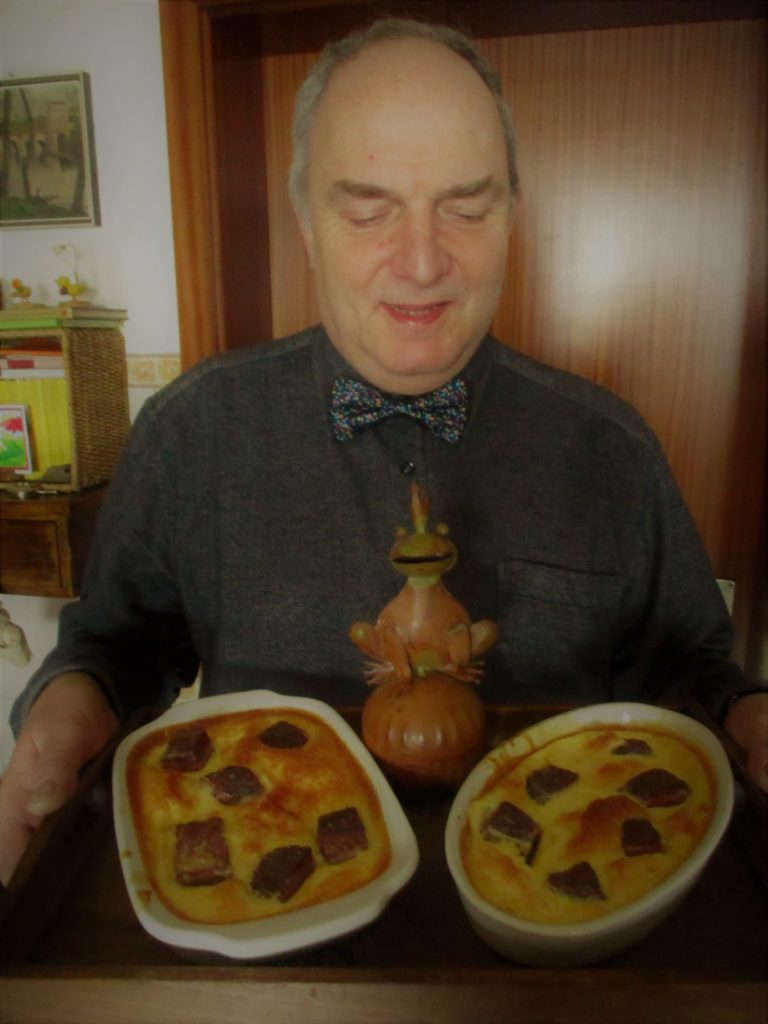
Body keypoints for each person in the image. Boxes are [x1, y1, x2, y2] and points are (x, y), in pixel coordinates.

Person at [1, 18, 765, 886]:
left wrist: (745, 714)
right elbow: (116, 647)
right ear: (305, 222)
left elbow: (691, 670)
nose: (422, 260)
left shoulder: (611, 447)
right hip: (264, 924)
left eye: (468, 208)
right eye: (368, 210)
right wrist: (69, 704)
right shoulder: (192, 430)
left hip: (554, 926)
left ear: (514, 212)